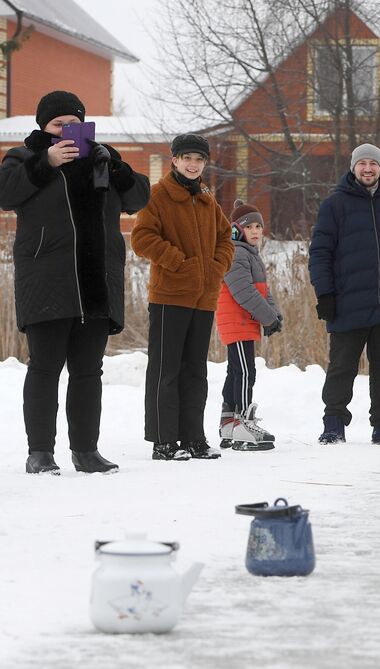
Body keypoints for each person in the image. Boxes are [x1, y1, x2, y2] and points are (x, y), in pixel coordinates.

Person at [1, 90, 149, 475]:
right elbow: (6, 193)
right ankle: (40, 453)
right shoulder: (24, 156)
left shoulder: (103, 156)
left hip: (95, 282)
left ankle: (85, 451)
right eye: (57, 124)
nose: (66, 130)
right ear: (43, 126)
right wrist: (45, 163)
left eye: (73, 123)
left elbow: (139, 198)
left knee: (88, 371)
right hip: (47, 279)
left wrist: (117, 169)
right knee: (45, 367)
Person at [310, 142, 380, 448]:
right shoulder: (335, 205)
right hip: (347, 302)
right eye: (363, 164)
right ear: (353, 168)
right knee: (342, 366)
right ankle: (333, 424)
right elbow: (320, 253)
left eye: (374, 164)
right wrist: (326, 294)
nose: (368, 168)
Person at [133, 133, 234, 461]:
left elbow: (226, 238)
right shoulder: (159, 195)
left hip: (204, 298)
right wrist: (179, 263)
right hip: (169, 296)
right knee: (166, 369)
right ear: (174, 160)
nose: (193, 164)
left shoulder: (207, 197)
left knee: (195, 370)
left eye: (199, 159)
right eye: (187, 158)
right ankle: (164, 441)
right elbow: (142, 237)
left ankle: (194, 438)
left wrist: (216, 267)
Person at [215, 201, 281, 451]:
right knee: (245, 372)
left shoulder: (249, 253)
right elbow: (244, 293)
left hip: (244, 321)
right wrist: (267, 317)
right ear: (237, 230)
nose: (255, 231)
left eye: (258, 226)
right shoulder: (236, 253)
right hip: (238, 320)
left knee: (236, 371)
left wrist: (275, 314)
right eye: (249, 227)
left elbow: (262, 291)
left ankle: (229, 424)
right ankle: (243, 421)